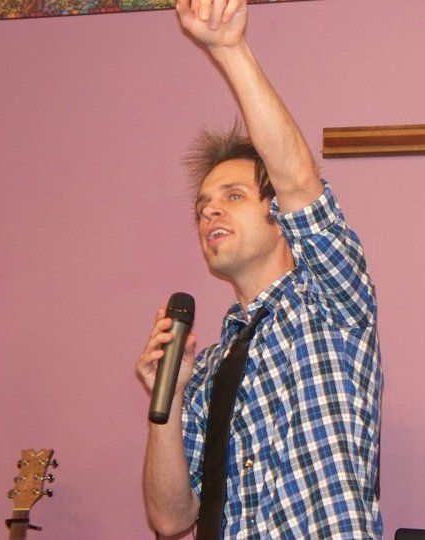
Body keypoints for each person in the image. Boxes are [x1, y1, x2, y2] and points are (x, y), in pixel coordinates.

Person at [136, 0, 383, 537]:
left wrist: (230, 49)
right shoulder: (210, 364)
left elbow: (297, 181)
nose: (210, 212)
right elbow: (171, 518)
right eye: (203, 206)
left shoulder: (330, 304)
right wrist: (169, 399)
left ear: (279, 217)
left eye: (233, 196)